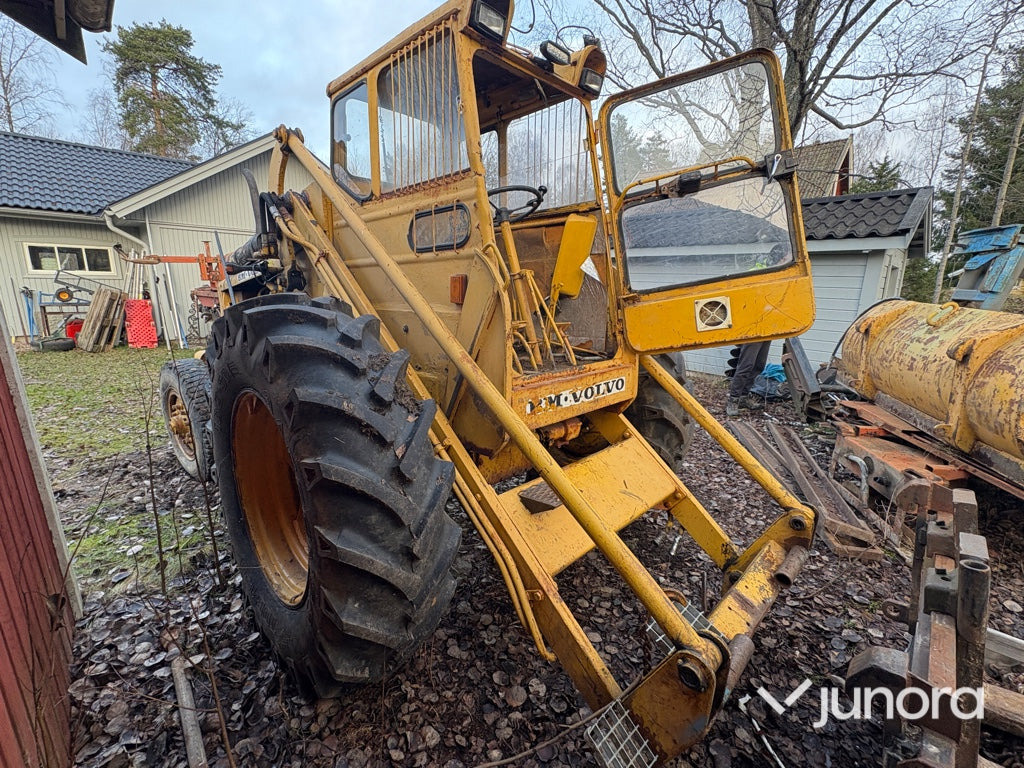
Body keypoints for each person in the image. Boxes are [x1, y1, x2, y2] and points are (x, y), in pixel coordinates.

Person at [726, 340, 771, 417]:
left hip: (767, 333)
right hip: (753, 333)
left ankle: (743, 397)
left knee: (759, 366)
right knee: (746, 366)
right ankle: (733, 400)